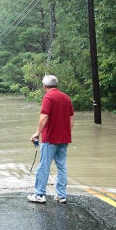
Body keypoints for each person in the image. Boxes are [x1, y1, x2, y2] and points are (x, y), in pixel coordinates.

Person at [28, 74, 74, 204]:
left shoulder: (48, 97)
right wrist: (67, 132)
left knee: (43, 167)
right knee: (62, 167)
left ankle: (40, 194)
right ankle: (61, 195)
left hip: (50, 139)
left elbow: (44, 116)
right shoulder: (66, 97)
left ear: (44, 86)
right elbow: (71, 117)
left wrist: (37, 133)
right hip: (64, 138)